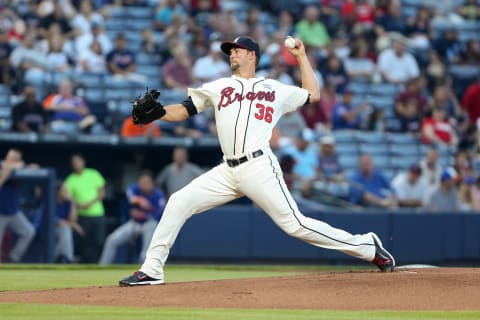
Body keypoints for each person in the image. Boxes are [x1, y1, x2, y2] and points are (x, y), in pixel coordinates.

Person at [120, 36, 395, 286]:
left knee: (295, 225)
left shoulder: (274, 89)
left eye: (237, 50)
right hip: (227, 170)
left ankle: (367, 246)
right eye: (230, 52)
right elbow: (183, 110)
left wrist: (301, 56)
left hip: (258, 167)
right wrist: (157, 114)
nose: (232, 55)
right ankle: (152, 269)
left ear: (252, 55)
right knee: (178, 201)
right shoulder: (219, 87)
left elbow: (313, 94)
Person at [99, 171, 165, 265]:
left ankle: (144, 269)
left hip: (149, 223)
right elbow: (129, 194)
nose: (144, 185)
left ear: (152, 183)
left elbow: (159, 214)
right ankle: (102, 266)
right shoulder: (135, 188)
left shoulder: (158, 195)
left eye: (146, 182)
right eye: (142, 182)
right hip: (135, 223)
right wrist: (139, 200)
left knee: (146, 250)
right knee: (111, 240)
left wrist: (144, 215)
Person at [65, 154, 106, 263]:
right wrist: (79, 205)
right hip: (82, 215)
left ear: (83, 162)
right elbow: (68, 197)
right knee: (86, 243)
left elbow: (102, 192)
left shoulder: (93, 173)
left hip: (98, 213)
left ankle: (99, 263)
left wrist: (89, 203)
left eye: (78, 161)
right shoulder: (70, 179)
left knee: (99, 241)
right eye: (74, 163)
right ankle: (87, 264)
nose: (76, 164)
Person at [0, 149, 36, 263]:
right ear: (7, 156)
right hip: (0, 213)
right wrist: (4, 177)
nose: (14, 160)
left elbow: (33, 167)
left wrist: (28, 166)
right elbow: (4, 165)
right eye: (12, 157)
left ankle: (14, 258)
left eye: (17, 158)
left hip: (14, 213)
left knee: (29, 232)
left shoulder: (20, 166)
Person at [55, 182, 84, 263]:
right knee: (65, 229)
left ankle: (62, 258)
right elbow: (57, 221)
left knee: (65, 231)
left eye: (66, 190)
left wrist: (73, 203)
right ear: (57, 192)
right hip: (46, 229)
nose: (66, 193)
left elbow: (73, 220)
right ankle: (69, 259)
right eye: (63, 190)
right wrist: (74, 225)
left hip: (61, 230)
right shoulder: (51, 200)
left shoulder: (67, 203)